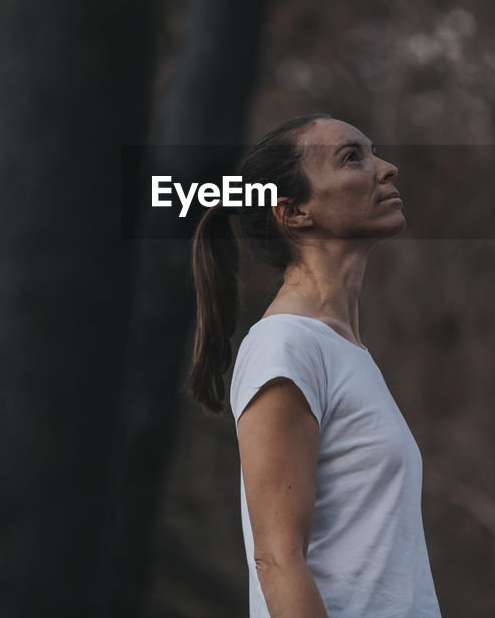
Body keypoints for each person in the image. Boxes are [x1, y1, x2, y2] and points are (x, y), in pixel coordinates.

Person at [185, 113, 442, 617]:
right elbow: (278, 558)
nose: (386, 169)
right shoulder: (286, 345)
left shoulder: (344, 350)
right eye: (353, 158)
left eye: (374, 153)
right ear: (295, 212)